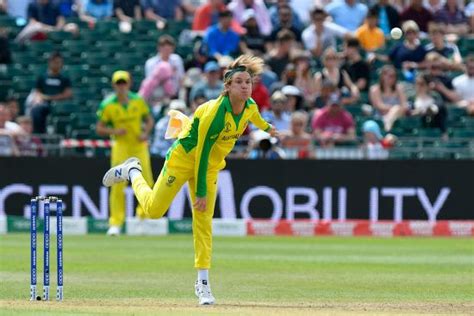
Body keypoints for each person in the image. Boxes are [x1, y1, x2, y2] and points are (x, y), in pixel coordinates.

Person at [101, 54, 278, 305]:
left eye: (248, 82)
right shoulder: (214, 113)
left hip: (210, 167)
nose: (245, 86)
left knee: (204, 223)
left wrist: (268, 128)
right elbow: (203, 153)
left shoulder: (249, 106)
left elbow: (255, 119)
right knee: (153, 210)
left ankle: (203, 282)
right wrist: (201, 192)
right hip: (185, 158)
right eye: (239, 82)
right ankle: (132, 171)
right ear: (227, 87)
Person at [96, 71, 155, 236]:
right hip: (121, 146)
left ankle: (142, 219)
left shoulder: (138, 101)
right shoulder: (108, 104)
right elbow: (99, 128)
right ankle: (115, 223)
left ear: (129, 84)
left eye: (124, 83)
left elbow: (149, 120)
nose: (121, 87)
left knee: (146, 181)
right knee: (117, 185)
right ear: (114, 85)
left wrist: (146, 133)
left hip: (139, 145)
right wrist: (114, 130)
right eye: (118, 83)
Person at [28, 52, 73, 134]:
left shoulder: (65, 78)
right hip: (45, 104)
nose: (57, 64)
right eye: (55, 62)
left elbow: (68, 94)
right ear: (50, 62)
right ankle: (39, 135)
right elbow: (37, 92)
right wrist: (42, 98)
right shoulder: (42, 77)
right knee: (36, 111)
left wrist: (51, 98)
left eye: (59, 62)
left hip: (60, 104)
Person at [369, 65, 408, 131]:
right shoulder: (375, 89)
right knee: (396, 108)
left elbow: (404, 106)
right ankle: (388, 125)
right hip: (380, 116)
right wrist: (394, 109)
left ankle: (388, 125)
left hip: (398, 116)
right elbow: (379, 106)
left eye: (394, 76)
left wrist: (395, 110)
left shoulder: (399, 88)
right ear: (383, 76)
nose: (392, 78)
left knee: (397, 109)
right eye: (390, 76)